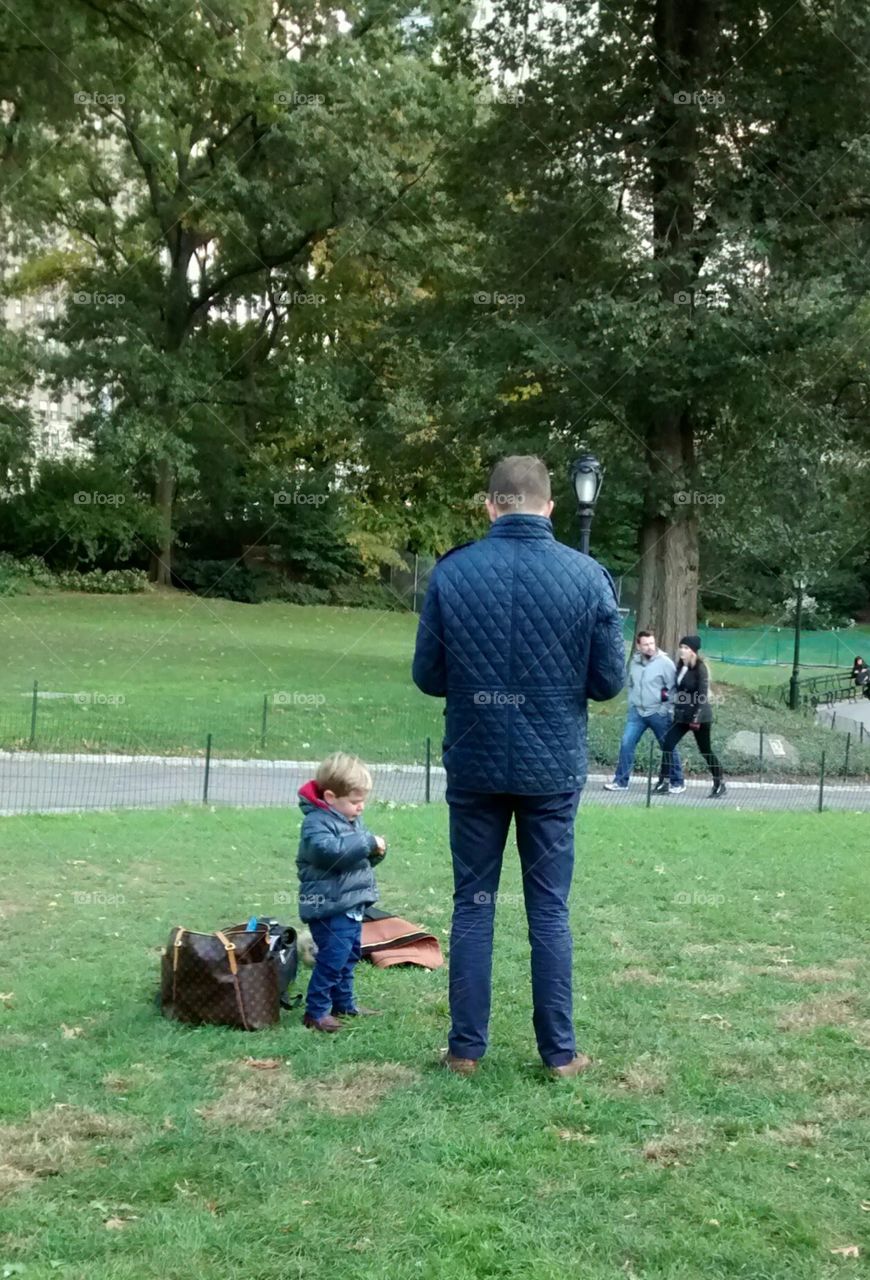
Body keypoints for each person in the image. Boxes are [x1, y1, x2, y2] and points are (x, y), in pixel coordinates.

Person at [412, 455, 625, 1079]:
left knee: (474, 903)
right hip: (552, 768)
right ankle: (559, 1054)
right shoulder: (588, 578)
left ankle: (465, 1052)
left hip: (475, 762)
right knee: (549, 908)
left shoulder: (453, 575)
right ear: (550, 507)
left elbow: (428, 676)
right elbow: (609, 681)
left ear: (490, 505)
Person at [296, 752, 387, 1033]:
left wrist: (375, 852)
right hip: (329, 906)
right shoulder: (316, 823)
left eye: (363, 801)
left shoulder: (348, 819)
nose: (360, 808)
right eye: (355, 801)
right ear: (331, 797)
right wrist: (365, 843)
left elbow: (356, 857)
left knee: (348, 957)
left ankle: (344, 1003)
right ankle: (316, 1011)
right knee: (332, 960)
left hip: (350, 903)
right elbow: (329, 853)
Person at [604, 630, 684, 793]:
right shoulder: (634, 662)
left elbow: (674, 689)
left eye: (652, 643)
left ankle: (677, 782)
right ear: (638, 646)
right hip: (637, 714)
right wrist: (632, 703)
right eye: (646, 644)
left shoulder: (665, 663)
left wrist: (664, 709)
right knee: (627, 743)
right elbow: (631, 684)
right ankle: (621, 782)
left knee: (668, 746)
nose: (649, 647)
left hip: (658, 714)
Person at [657, 636, 726, 798]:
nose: (682, 650)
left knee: (705, 751)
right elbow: (679, 689)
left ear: (693, 651)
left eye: (686, 648)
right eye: (681, 647)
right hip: (682, 717)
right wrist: (667, 695)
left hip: (700, 718)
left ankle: (719, 783)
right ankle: (663, 782)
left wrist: (696, 718)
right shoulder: (681, 666)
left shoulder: (700, 668)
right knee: (668, 744)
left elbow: (702, 695)